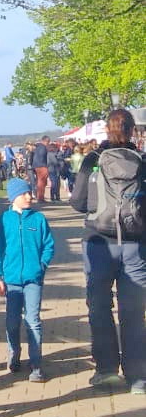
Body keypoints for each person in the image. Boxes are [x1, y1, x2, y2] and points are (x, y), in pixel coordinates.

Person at [71, 108, 146, 394]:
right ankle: (137, 377)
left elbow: (78, 202)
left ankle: (106, 371)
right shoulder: (142, 161)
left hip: (98, 242)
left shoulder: (92, 159)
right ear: (133, 130)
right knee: (134, 311)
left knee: (100, 307)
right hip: (136, 245)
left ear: (107, 129)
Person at [0, 177, 56, 382]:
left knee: (33, 321)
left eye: (29, 192)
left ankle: (36, 364)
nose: (29, 196)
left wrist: (41, 265)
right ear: (13, 197)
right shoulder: (3, 220)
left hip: (33, 279)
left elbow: (49, 245)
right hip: (11, 280)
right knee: (12, 322)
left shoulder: (38, 219)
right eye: (24, 193)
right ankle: (14, 354)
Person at [31, 136, 49, 202]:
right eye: (48, 142)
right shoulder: (43, 147)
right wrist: (46, 165)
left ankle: (40, 197)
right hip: (42, 166)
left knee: (40, 182)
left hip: (36, 166)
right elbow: (42, 156)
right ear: (46, 141)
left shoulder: (37, 147)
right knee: (42, 182)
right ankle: (40, 198)